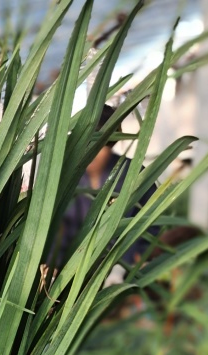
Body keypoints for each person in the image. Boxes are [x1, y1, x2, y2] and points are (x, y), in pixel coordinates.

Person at [55, 104, 160, 287]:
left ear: (112, 143)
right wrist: (53, 265)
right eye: (85, 145)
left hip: (126, 274)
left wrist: (134, 263)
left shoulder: (134, 174)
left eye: (100, 146)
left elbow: (152, 221)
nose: (92, 154)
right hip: (73, 276)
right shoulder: (69, 179)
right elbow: (62, 227)